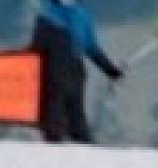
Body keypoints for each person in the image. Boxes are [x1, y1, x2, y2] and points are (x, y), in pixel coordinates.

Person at [34, 0, 126, 145]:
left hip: (69, 69)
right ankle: (67, 141)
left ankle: (77, 143)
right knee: (58, 112)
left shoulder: (77, 15)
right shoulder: (48, 13)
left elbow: (92, 48)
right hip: (57, 68)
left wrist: (110, 69)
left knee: (71, 112)